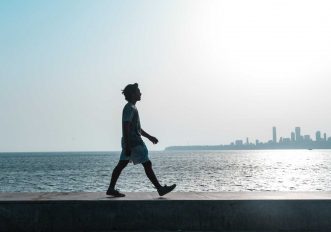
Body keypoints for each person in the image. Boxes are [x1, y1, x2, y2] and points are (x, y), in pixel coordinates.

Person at [107, 83, 176, 197]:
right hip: (134, 143)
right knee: (146, 164)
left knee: (123, 164)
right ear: (133, 94)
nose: (141, 93)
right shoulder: (129, 108)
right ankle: (159, 189)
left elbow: (136, 127)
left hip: (132, 142)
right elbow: (126, 126)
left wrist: (149, 137)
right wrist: (128, 145)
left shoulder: (132, 107)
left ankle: (111, 188)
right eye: (138, 91)